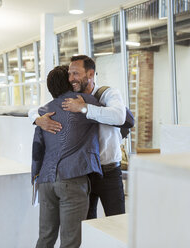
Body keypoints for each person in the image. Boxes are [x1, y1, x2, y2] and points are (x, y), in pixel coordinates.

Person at [32, 55, 126, 219]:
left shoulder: (108, 94)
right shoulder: (70, 99)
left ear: (90, 74)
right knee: (87, 226)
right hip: (84, 174)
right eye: (69, 74)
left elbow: (118, 117)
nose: (71, 78)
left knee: (117, 221)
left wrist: (84, 108)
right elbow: (39, 109)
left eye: (75, 73)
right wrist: (37, 119)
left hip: (109, 172)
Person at [32, 65, 102, 248]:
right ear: (70, 81)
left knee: (45, 238)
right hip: (72, 178)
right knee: (70, 241)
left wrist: (35, 177)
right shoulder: (84, 102)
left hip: (46, 181)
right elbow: (123, 118)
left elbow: (37, 149)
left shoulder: (43, 111)